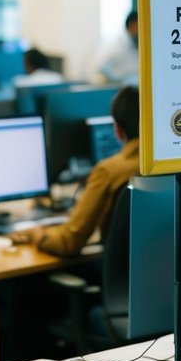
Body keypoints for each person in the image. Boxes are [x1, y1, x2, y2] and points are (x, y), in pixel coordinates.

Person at [13, 86, 140, 257]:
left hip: (119, 276)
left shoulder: (109, 171)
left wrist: (37, 233)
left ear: (117, 129)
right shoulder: (173, 165)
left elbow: (69, 243)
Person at [97, 11, 139, 85]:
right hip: (122, 88)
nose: (138, 30)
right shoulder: (117, 46)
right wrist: (120, 80)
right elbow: (102, 67)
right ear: (130, 26)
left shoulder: (140, 46)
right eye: (136, 26)